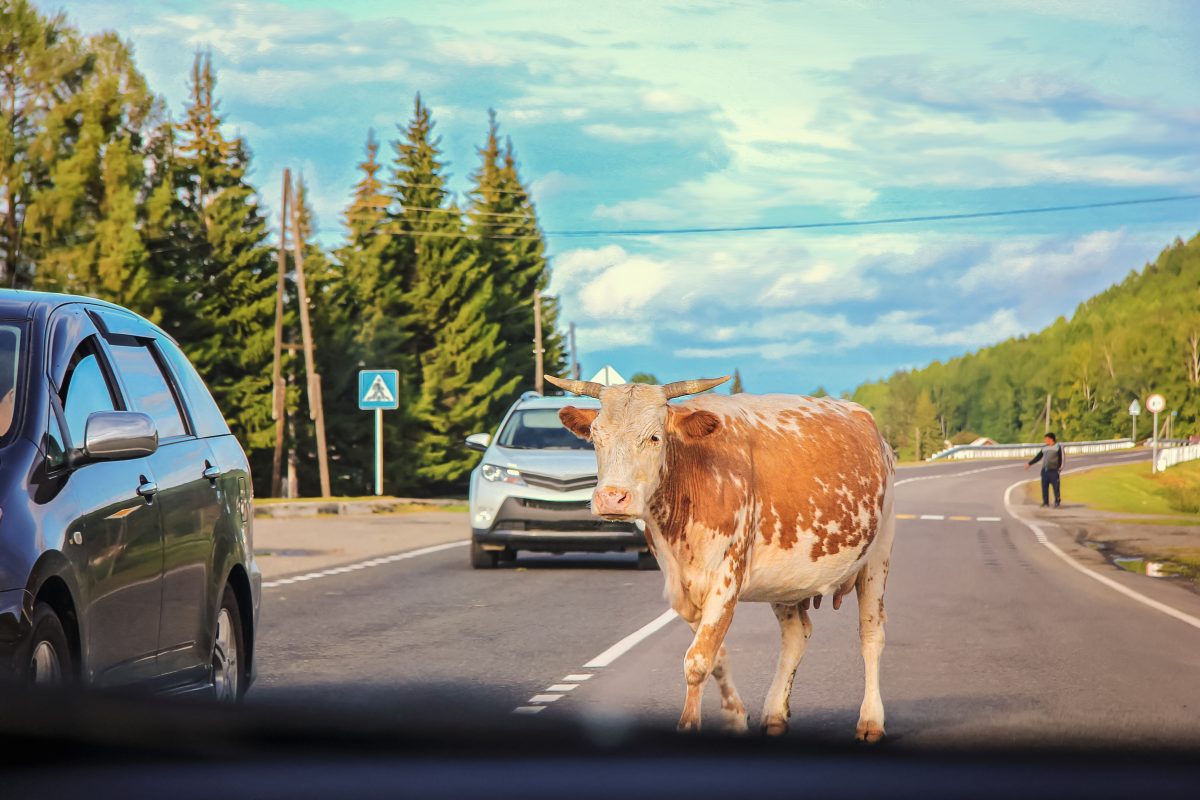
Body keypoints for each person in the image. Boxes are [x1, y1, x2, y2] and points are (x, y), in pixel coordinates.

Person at [1025, 432, 1064, 508]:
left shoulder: (1058, 447)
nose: (1045, 440)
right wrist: (1029, 463)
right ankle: (1045, 502)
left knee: (1056, 487)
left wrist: (1059, 469)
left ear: (1051, 439)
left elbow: (1062, 459)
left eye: (1046, 439)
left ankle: (1057, 502)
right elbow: (1038, 457)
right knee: (1044, 487)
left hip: (1054, 471)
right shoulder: (1044, 448)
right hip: (1045, 471)